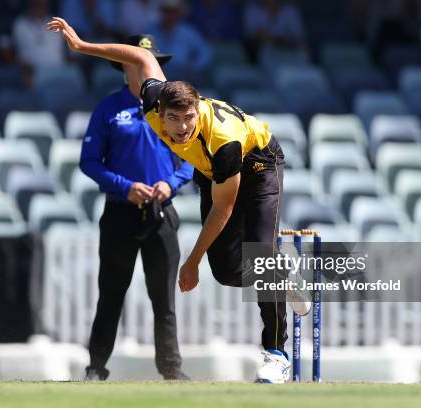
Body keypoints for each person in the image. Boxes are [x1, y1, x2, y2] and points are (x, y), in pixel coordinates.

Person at [48, 16, 310, 384]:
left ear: (197, 111)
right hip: (204, 174)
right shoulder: (152, 97)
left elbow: (223, 208)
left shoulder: (223, 141)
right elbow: (139, 58)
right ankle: (285, 271)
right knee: (226, 270)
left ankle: (275, 354)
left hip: (259, 163)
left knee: (260, 256)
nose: (182, 128)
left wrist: (191, 261)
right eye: (174, 120)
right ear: (159, 112)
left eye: (188, 119)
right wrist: (81, 46)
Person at [78, 34, 193, 381]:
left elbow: (191, 160)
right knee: (111, 294)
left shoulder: (169, 110)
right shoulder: (109, 108)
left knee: (164, 301)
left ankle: (171, 371)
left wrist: (169, 183)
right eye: (139, 60)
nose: (147, 68)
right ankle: (96, 368)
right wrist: (125, 187)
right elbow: (89, 162)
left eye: (152, 61)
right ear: (125, 65)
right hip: (120, 214)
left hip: (161, 215)